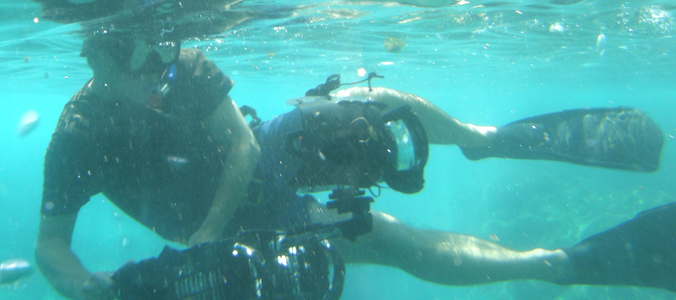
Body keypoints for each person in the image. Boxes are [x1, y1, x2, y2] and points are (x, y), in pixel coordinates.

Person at [33, 1, 672, 299]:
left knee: (375, 103)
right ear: (91, 53)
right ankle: (554, 263)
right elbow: (49, 247)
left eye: (159, 47)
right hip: (226, 230)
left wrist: (205, 228)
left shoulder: (184, 66)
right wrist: (91, 291)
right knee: (388, 240)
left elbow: (241, 148)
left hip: (254, 164)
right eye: (127, 52)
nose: (152, 67)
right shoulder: (78, 133)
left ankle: (481, 140)